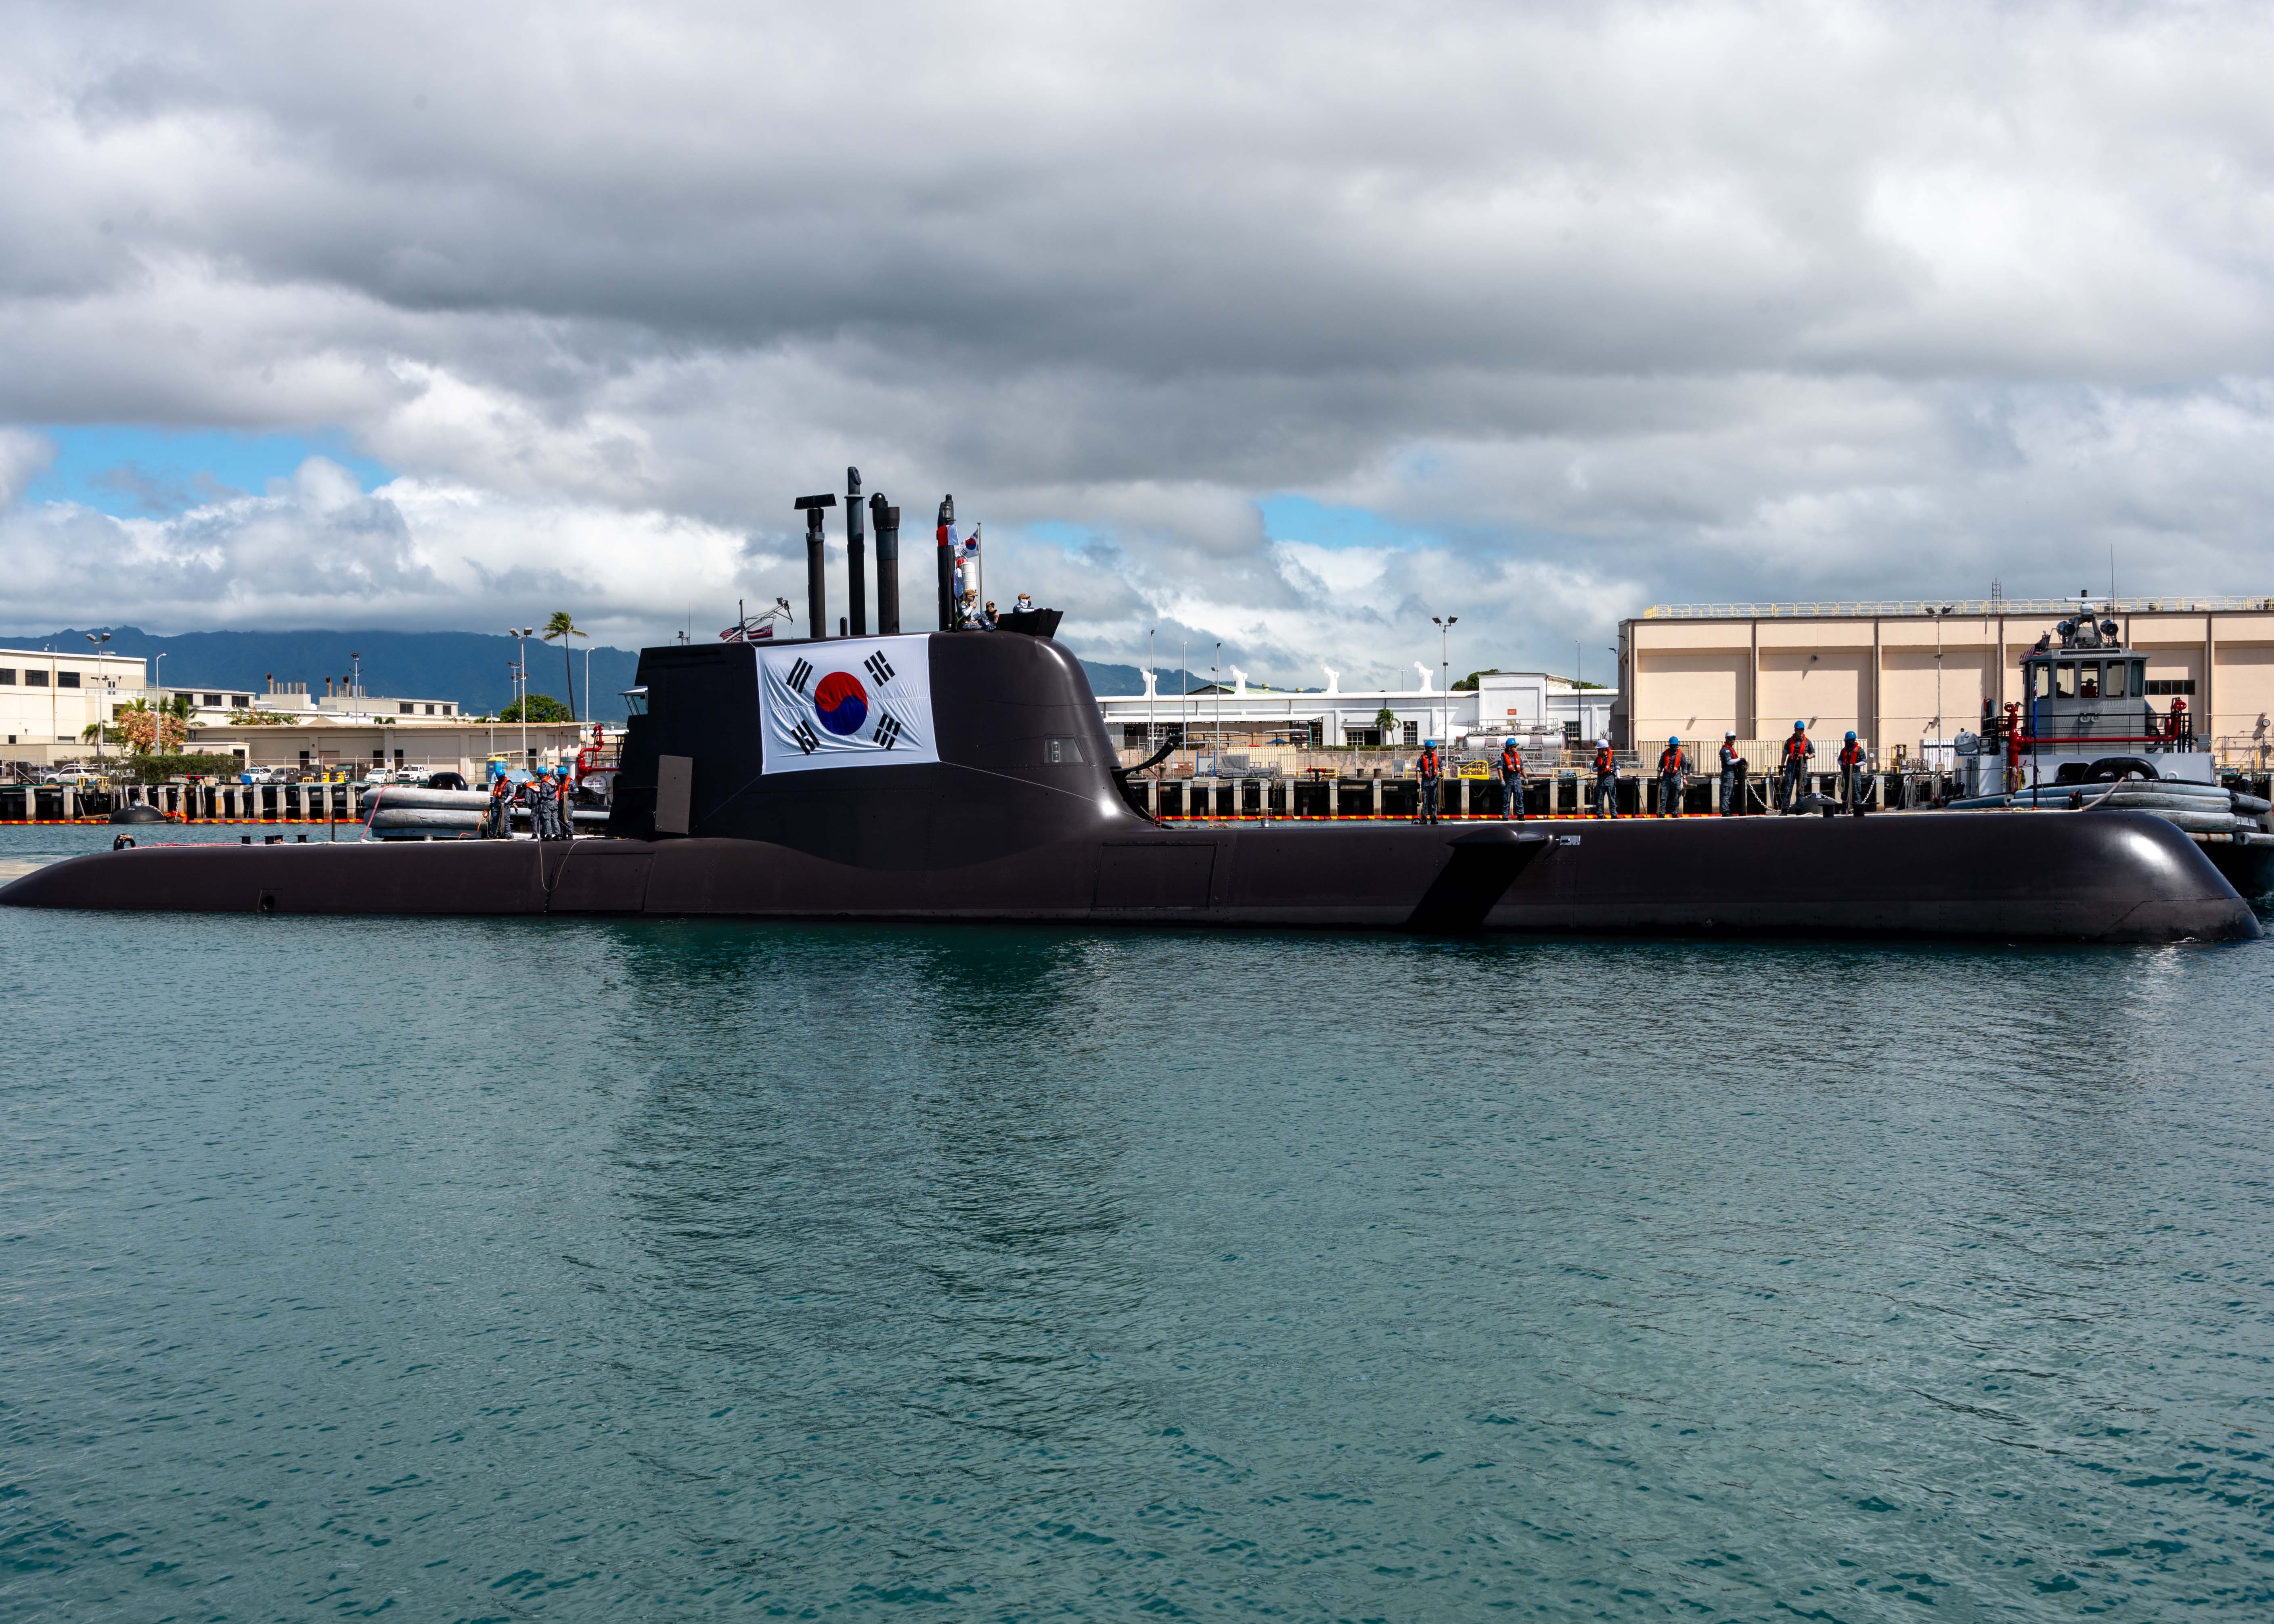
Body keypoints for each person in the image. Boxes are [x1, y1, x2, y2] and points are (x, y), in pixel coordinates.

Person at [1778, 720, 1812, 813]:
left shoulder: (1807, 742)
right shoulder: (1789, 741)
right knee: (1788, 788)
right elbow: (1785, 754)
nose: (1800, 732)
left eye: (1802, 730)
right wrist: (1782, 766)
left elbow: (1813, 753)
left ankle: (1799, 810)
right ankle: (1785, 810)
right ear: (1795, 730)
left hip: (1802, 768)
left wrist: (1807, 757)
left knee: (1800, 789)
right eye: (1799, 730)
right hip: (1791, 767)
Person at [1656, 736, 1688, 817]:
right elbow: (1661, 765)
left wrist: (1684, 778)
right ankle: (1662, 813)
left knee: (1676, 795)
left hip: (1676, 777)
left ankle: (1675, 813)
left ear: (1678, 745)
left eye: (1675, 745)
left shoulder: (1681, 755)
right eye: (1672, 745)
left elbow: (1685, 767)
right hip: (1666, 777)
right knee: (1663, 795)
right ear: (1670, 745)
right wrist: (1658, 776)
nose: (1674, 747)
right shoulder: (1665, 754)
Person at [1838, 731, 1868, 814]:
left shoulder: (1859, 750)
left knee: (1856, 793)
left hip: (1855, 775)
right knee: (1845, 793)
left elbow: (1864, 761)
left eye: (1847, 741)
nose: (1846, 743)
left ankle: (1857, 811)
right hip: (1846, 774)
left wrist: (1856, 765)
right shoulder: (1844, 751)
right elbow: (1840, 760)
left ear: (1851, 741)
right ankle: (1845, 810)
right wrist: (1842, 764)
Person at [1415, 738, 1442, 825]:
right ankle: (1424, 818)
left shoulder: (1437, 758)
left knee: (1434, 801)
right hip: (1426, 784)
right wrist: (1418, 782)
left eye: (1434, 749)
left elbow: (1442, 767)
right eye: (1432, 749)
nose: (1434, 750)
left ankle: (1434, 818)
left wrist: (1442, 775)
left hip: (1434, 783)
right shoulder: (1421, 759)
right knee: (1425, 801)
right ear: (1427, 749)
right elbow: (1418, 771)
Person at [1498, 737, 1526, 820]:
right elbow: (1500, 769)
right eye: (1515, 747)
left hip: (1517, 779)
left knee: (1519, 798)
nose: (1516, 748)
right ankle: (1505, 817)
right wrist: (1502, 780)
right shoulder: (1503, 758)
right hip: (1508, 780)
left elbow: (1522, 768)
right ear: (1510, 748)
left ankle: (1521, 816)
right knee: (1506, 798)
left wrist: (1526, 777)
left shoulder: (1518, 757)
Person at [1718, 731, 1743, 816]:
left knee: (1730, 793)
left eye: (1734, 738)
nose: (1732, 740)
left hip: (1732, 775)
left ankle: (1727, 810)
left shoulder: (1731, 749)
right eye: (1730, 738)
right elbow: (1729, 762)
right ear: (1726, 739)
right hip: (1728, 775)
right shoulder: (1726, 750)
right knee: (1727, 793)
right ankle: (1725, 811)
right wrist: (1740, 759)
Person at [1592, 737, 1618, 818]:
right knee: (1600, 799)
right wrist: (1599, 769)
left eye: (1599, 750)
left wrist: (1619, 777)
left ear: (1604, 749)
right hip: (1601, 781)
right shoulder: (1598, 759)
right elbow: (1593, 769)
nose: (1598, 751)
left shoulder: (1613, 758)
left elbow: (1617, 767)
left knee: (1612, 798)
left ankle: (1614, 815)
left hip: (1611, 781)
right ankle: (1600, 815)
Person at [484, 770, 512, 839]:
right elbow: (496, 796)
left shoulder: (508, 784)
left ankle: (508, 834)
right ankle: (492, 834)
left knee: (505, 820)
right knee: (494, 819)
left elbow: (511, 795)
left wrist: (505, 803)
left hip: (504, 806)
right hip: (497, 804)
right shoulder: (498, 784)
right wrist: (492, 803)